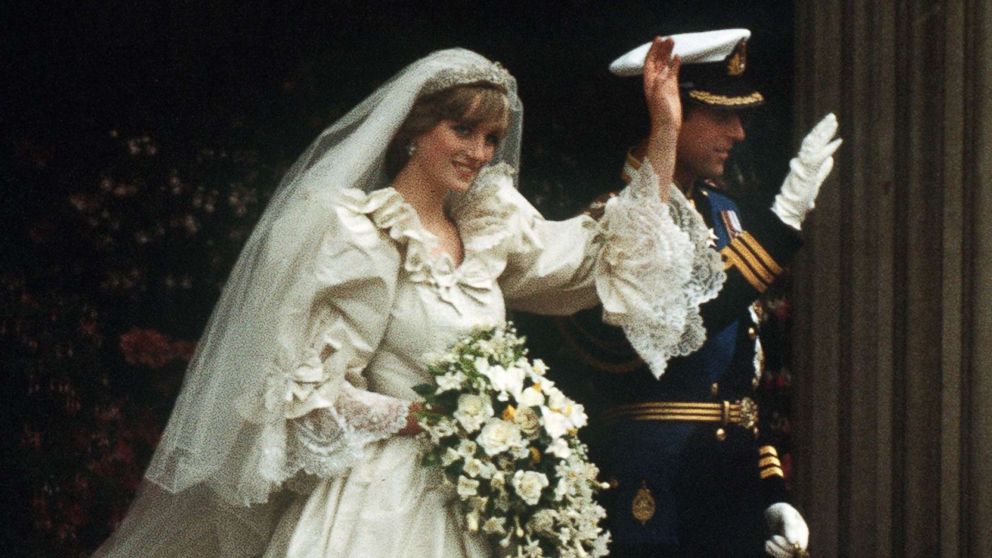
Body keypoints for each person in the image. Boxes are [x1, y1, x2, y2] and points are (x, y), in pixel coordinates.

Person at [94, 43, 721, 557]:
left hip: (478, 502)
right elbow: (310, 396)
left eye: (490, 138)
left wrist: (664, 127)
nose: (478, 152)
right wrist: (438, 417)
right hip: (380, 505)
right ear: (415, 131)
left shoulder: (488, 224)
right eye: (463, 130)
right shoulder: (362, 239)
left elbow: (604, 259)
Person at [526, 29, 840, 557]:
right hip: (654, 489)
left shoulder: (727, 216)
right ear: (668, 112)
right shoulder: (612, 222)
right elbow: (669, 330)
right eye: (722, 115)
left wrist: (769, 489)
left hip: (729, 489)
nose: (739, 133)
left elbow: (739, 378)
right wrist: (781, 224)